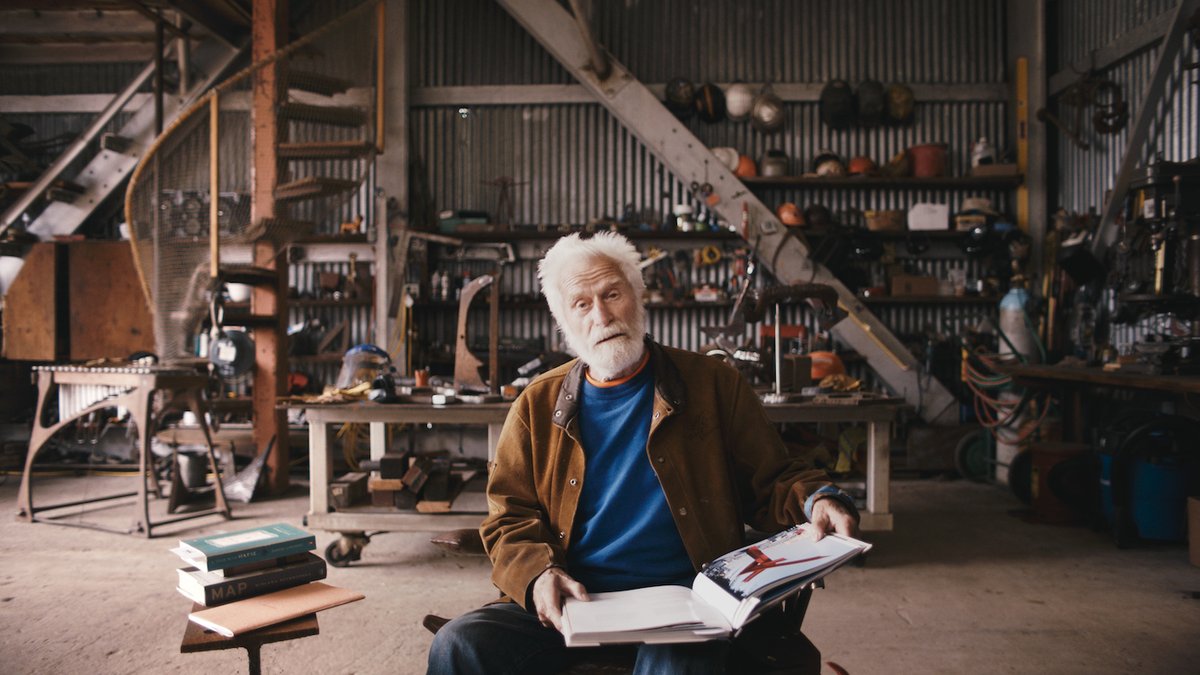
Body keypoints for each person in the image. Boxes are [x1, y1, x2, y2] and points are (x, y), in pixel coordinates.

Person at [427, 231, 859, 674]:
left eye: (612, 294)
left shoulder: (713, 385)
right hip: (575, 598)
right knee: (459, 644)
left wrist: (816, 499)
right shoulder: (536, 405)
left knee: (677, 660)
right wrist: (538, 575)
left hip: (686, 600)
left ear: (638, 295)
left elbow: (774, 478)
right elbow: (508, 515)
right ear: (563, 321)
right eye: (581, 304)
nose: (601, 315)